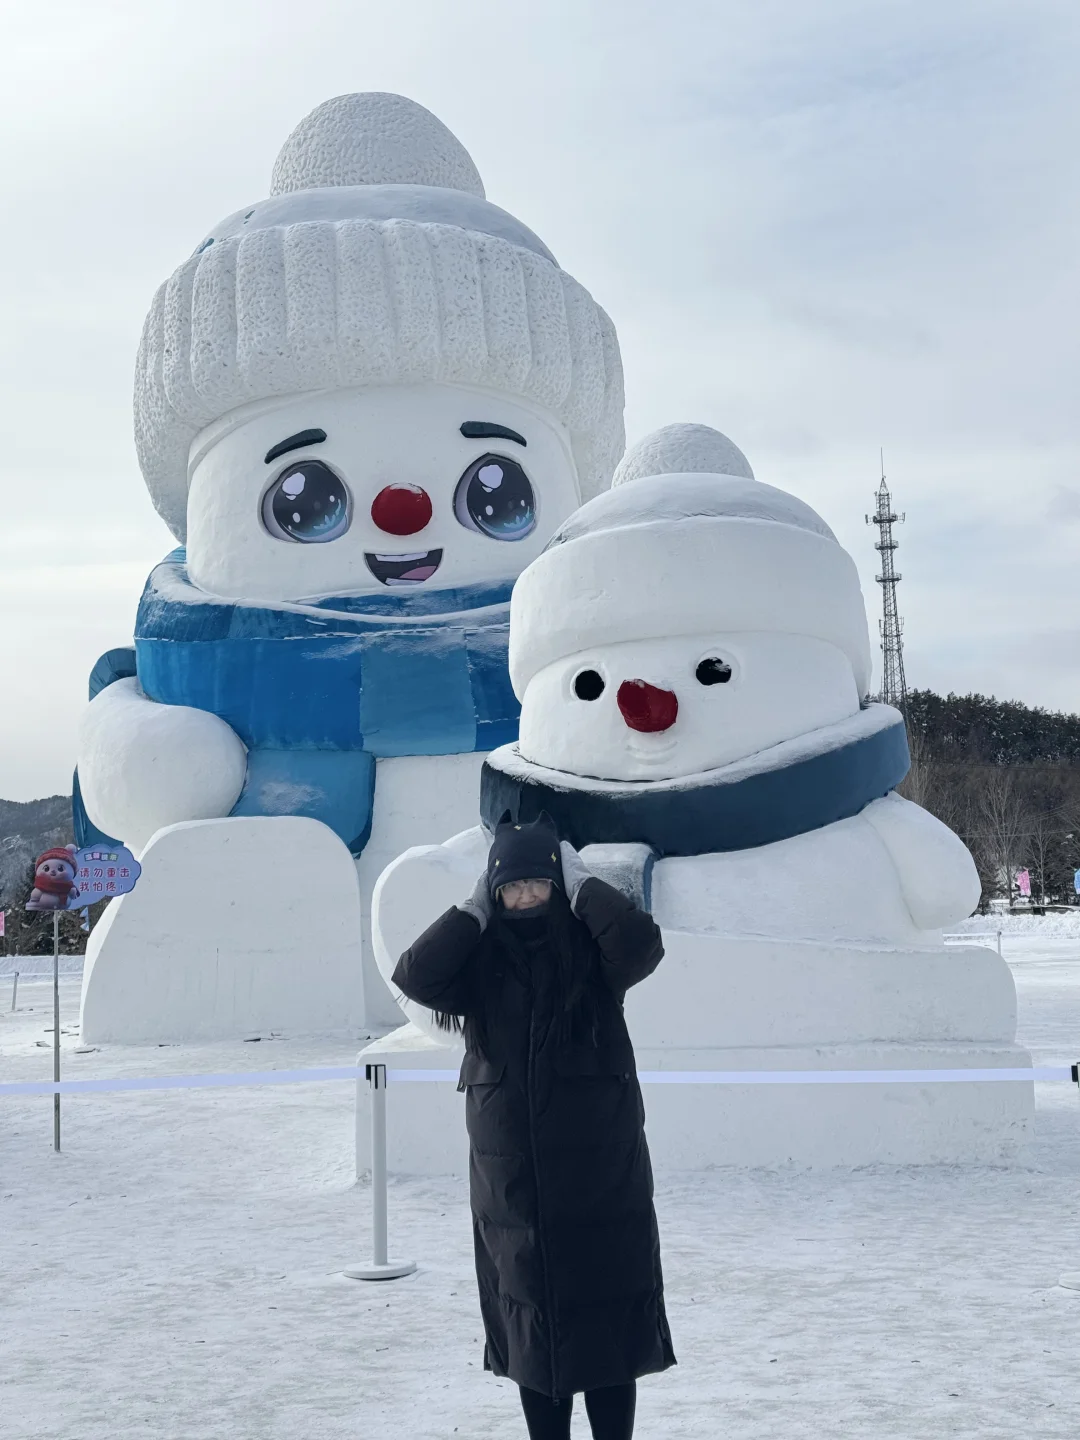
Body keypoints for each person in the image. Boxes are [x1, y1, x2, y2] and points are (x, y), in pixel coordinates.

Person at [393, 812, 676, 1440]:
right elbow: (416, 975)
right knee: (533, 1335)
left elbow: (642, 945)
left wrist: (584, 886)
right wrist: (471, 912)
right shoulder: (480, 965)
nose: (524, 898)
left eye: (537, 884)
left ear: (557, 885)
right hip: (513, 1193)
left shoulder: (593, 957)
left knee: (605, 1333)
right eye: (509, 888)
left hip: (601, 1184)